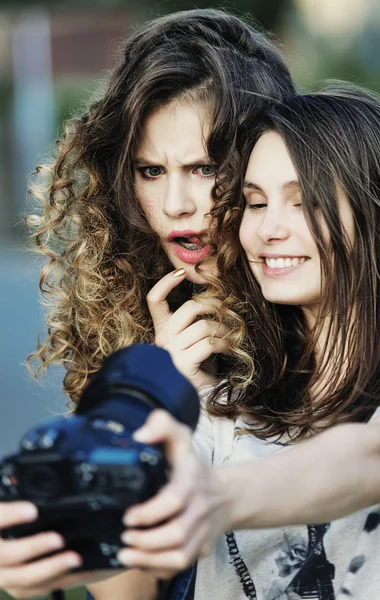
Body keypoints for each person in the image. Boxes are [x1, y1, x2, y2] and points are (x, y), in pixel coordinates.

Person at [0, 9, 297, 600]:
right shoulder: (132, 334)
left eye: (205, 168)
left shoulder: (332, 312)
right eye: (151, 171)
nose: (177, 203)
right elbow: (126, 594)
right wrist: (165, 395)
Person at [117, 84, 380, 600]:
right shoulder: (224, 402)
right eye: (255, 203)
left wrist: (214, 498)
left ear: (377, 213)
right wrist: (156, 392)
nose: (269, 228)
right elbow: (125, 592)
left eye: (304, 202)